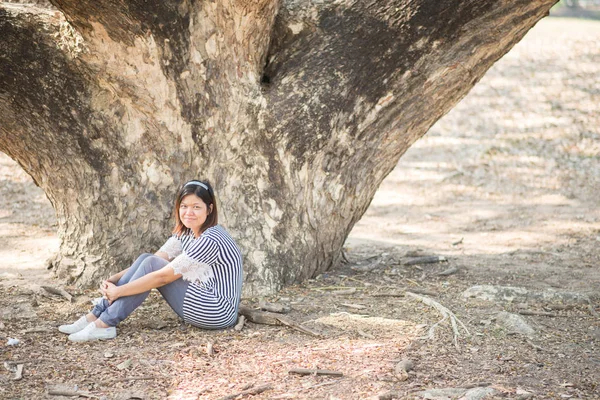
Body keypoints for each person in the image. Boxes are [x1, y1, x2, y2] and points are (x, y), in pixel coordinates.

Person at [58, 180, 243, 342]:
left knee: (151, 264)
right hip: (202, 301)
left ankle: (104, 323)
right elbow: (155, 259)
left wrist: (119, 291)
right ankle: (94, 316)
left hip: (218, 311)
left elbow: (161, 277)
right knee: (147, 258)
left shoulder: (211, 238)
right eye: (184, 206)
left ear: (209, 209)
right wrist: (114, 279)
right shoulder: (187, 233)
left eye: (196, 207)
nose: (189, 212)